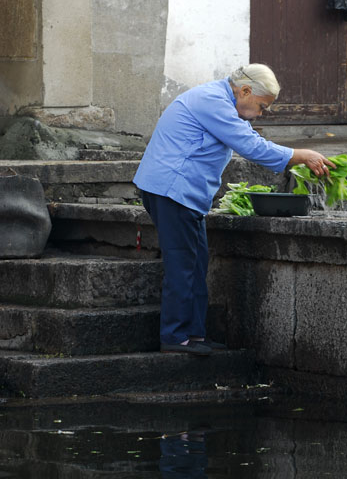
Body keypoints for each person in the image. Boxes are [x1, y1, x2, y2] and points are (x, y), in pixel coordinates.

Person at [134, 63, 335, 356]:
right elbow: (251, 146)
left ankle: (195, 334)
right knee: (183, 266)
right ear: (245, 91)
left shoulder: (222, 101)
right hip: (171, 190)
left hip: (180, 193)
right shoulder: (212, 101)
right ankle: (174, 337)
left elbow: (248, 139)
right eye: (262, 106)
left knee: (197, 263)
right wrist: (298, 155)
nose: (261, 113)